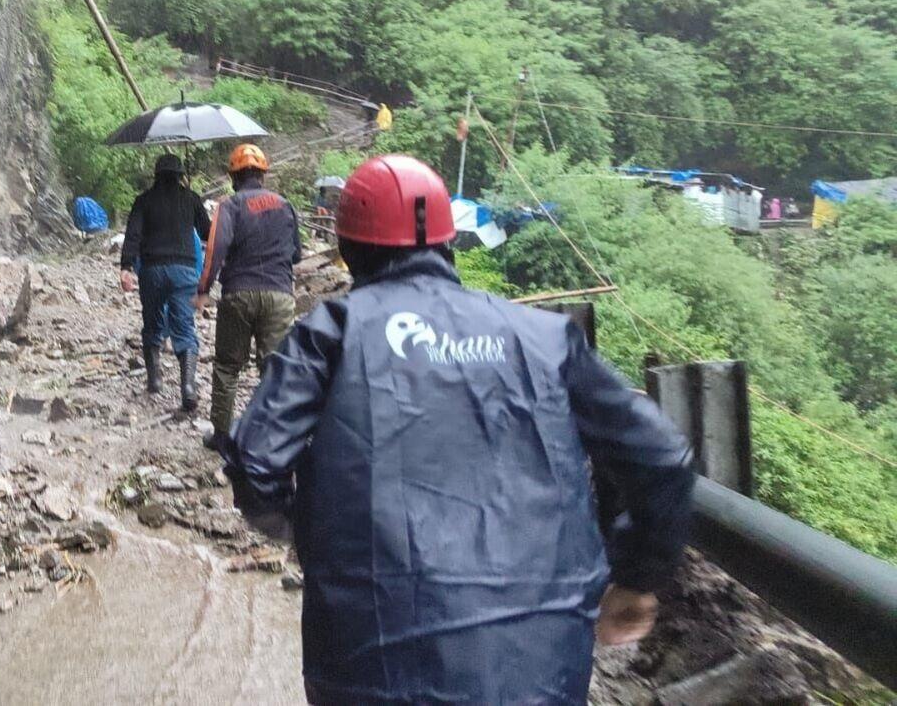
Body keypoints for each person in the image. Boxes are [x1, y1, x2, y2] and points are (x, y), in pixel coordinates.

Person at [222, 154, 694, 705]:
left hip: (370, 659)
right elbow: (663, 460)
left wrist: (306, 534)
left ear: (349, 251)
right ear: (450, 243)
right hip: (540, 662)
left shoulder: (330, 333)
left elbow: (257, 463)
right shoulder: (545, 338)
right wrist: (636, 578)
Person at [194, 143, 302, 449]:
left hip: (239, 294)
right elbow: (296, 254)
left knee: (228, 366)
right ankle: (275, 435)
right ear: (263, 175)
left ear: (234, 177)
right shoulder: (285, 205)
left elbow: (215, 251)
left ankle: (223, 436)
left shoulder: (229, 206)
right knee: (275, 366)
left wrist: (203, 290)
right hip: (280, 295)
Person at [119, 153, 213, 411]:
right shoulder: (191, 199)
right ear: (181, 175)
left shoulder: (143, 201)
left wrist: (126, 266)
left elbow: (133, 235)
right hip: (184, 270)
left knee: (152, 321)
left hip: (152, 270)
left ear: (157, 175)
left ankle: (155, 379)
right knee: (184, 326)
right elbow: (208, 232)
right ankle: (188, 387)